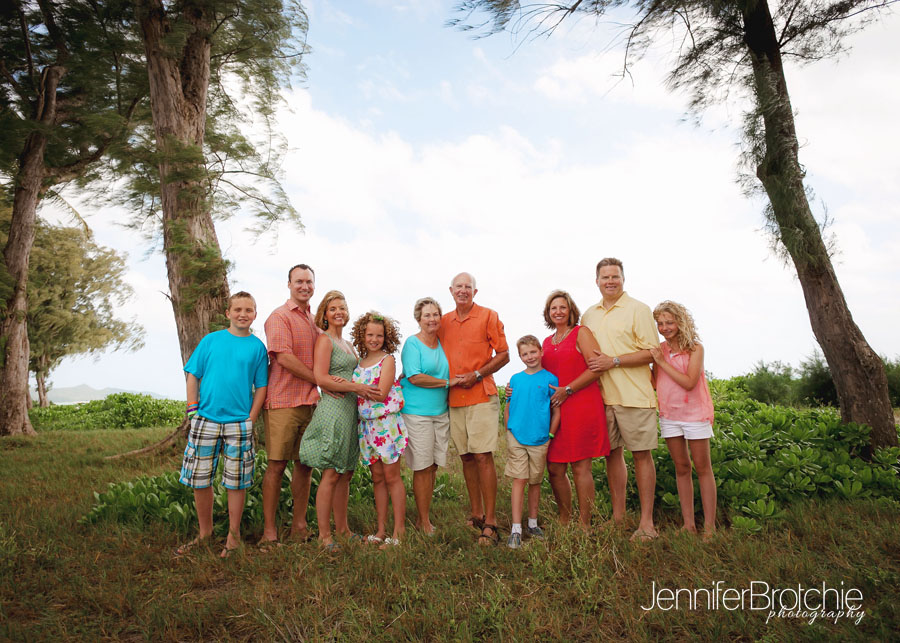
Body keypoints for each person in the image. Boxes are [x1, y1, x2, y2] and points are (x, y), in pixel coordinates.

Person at [176, 291, 268, 558]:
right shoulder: (211, 341)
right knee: (200, 478)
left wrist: (251, 418)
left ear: (254, 314)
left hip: (239, 423)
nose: (243, 314)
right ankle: (205, 533)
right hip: (206, 419)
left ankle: (233, 535)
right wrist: (193, 411)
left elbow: (261, 387)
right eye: (237, 309)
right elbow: (193, 374)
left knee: (236, 481)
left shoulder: (257, 347)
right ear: (228, 313)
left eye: (248, 310)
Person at [582, 258, 661, 542]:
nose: (610, 281)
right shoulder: (588, 315)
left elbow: (653, 353)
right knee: (611, 455)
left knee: (641, 456)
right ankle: (618, 519)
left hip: (635, 396)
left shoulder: (639, 310)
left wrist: (613, 361)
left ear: (623, 279)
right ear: (597, 281)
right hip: (601, 398)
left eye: (615, 276)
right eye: (605, 277)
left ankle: (647, 523)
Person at [297, 291, 378, 550]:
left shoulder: (348, 345)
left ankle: (343, 530)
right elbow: (321, 378)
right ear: (324, 314)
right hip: (333, 409)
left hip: (350, 410)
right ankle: (324, 536)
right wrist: (356, 388)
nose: (338, 312)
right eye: (333, 308)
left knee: (346, 473)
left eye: (342, 307)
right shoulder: (325, 341)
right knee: (331, 472)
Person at [438, 272, 509, 546]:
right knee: (466, 457)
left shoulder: (488, 316)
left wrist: (478, 374)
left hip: (481, 395)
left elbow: (504, 354)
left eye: (468, 287)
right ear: (451, 290)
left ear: (475, 292)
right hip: (454, 399)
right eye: (459, 287)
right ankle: (476, 513)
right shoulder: (443, 322)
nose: (463, 290)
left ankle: (491, 522)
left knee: (482, 457)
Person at [259, 264, 320, 549]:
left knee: (304, 465)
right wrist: (321, 380)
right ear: (289, 284)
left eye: (309, 281)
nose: (304, 286)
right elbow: (283, 358)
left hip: (310, 403)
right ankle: (269, 532)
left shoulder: (313, 320)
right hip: (283, 402)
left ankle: (299, 525)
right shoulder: (279, 317)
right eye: (299, 281)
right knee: (276, 465)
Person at [540, 290, 610, 531]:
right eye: (553, 308)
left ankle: (584, 523)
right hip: (556, 410)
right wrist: (513, 389)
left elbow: (597, 368)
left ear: (571, 310)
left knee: (581, 466)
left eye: (562, 307)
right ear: (548, 313)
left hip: (581, 404)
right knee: (555, 467)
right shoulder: (547, 342)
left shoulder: (582, 333)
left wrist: (567, 389)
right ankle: (564, 517)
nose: (558, 312)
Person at [650, 300, 717, 538]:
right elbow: (656, 384)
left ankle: (709, 527)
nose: (665, 327)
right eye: (660, 323)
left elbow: (689, 382)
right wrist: (651, 365)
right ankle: (688, 524)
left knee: (703, 468)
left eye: (670, 322)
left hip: (695, 414)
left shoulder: (695, 348)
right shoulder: (659, 350)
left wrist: (660, 363)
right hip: (670, 415)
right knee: (681, 467)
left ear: (680, 321)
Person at [400, 297, 460, 535]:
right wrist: (447, 382)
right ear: (418, 319)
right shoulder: (412, 344)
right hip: (417, 414)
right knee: (422, 467)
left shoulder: (444, 344)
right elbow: (414, 377)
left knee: (433, 466)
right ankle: (424, 522)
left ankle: (423, 517)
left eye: (436, 314)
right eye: (427, 315)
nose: (432, 319)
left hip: (440, 413)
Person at [350, 311, 408, 547]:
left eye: (379, 335)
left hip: (386, 425)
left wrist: (352, 387)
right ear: (362, 335)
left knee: (392, 477)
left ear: (386, 337)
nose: (374, 339)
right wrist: (360, 388)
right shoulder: (359, 363)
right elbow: (367, 392)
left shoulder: (388, 360)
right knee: (377, 479)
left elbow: (381, 393)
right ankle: (381, 529)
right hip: (367, 427)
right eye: (370, 334)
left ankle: (399, 531)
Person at [503, 335, 560, 549]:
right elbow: (508, 405)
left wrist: (550, 434)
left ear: (541, 351)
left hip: (540, 438)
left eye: (533, 352)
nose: (530, 356)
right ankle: (516, 528)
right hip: (517, 436)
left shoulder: (550, 379)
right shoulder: (515, 380)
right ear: (520, 357)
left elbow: (556, 411)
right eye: (525, 354)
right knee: (520, 479)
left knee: (535, 481)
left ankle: (532, 524)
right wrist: (509, 427)